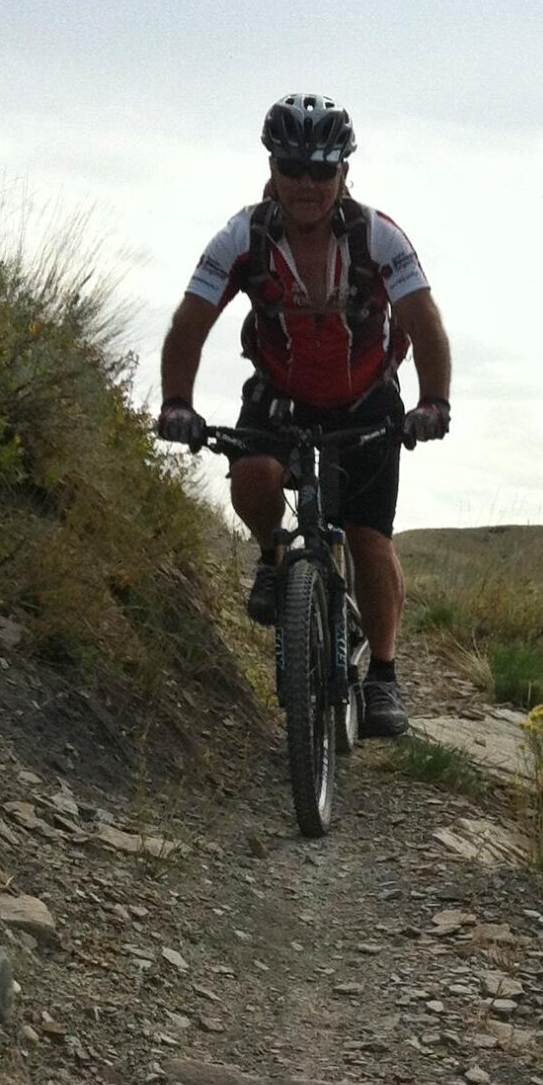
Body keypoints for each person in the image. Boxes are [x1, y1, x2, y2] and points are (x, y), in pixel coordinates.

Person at [155, 93, 452, 738]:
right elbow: (189, 325)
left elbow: (424, 324)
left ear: (344, 171)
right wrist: (177, 403)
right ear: (273, 167)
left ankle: (383, 677)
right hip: (281, 390)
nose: (307, 184)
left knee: (370, 539)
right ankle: (272, 557)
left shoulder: (379, 236)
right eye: (294, 168)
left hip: (367, 394)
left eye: (322, 170)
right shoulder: (243, 237)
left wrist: (433, 401)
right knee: (252, 477)